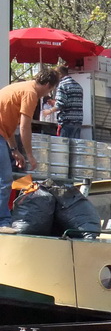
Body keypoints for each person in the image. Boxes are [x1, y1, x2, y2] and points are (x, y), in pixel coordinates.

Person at [0, 68, 60, 227]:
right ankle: (2, 222)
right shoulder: (31, 93)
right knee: (4, 180)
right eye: (50, 90)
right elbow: (24, 127)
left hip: (1, 134)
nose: (47, 94)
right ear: (47, 84)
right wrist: (30, 155)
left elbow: (8, 126)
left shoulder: (21, 87)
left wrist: (14, 150)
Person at [53, 65, 84, 139]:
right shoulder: (78, 86)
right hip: (78, 121)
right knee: (74, 148)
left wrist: (49, 110)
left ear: (60, 74)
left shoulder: (62, 85)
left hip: (66, 121)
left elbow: (60, 104)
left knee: (64, 147)